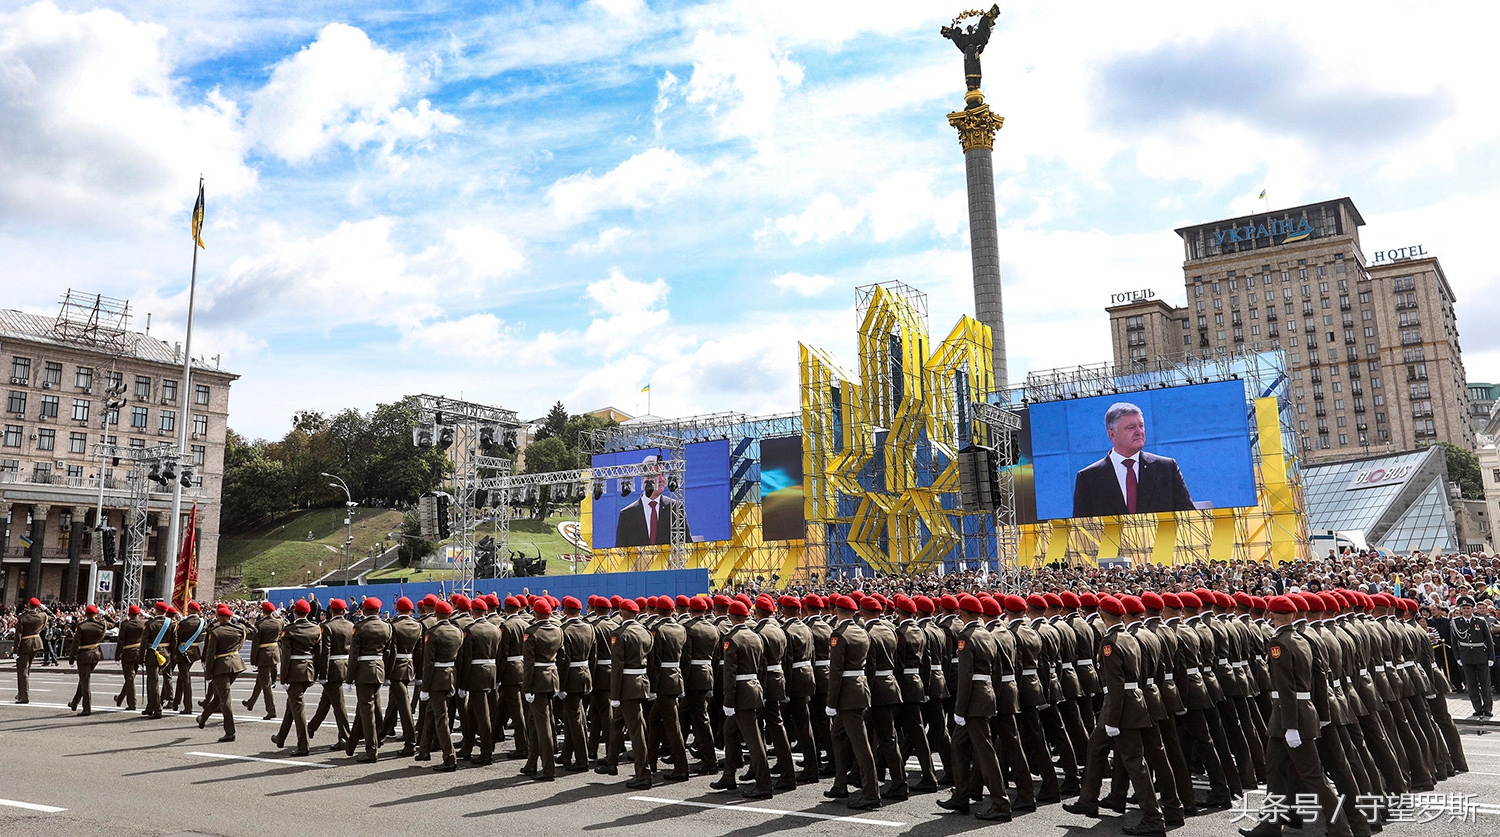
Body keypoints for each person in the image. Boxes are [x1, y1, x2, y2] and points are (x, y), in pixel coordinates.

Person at [1072, 402, 1194, 518]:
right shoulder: (1088, 478)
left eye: (1141, 426)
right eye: (1131, 427)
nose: (1139, 432)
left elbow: (1189, 516)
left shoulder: (1166, 468)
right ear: (1112, 435)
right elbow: (1081, 530)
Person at [346, 597, 393, 762]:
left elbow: (354, 656)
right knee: (369, 707)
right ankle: (355, 744)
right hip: (379, 670)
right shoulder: (387, 627)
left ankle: (371, 750)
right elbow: (388, 653)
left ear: (364, 611)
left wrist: (349, 678)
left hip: (363, 672)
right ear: (379, 611)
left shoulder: (359, 628)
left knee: (367, 712)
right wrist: (386, 674)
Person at [273, 599, 321, 755]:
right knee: (292, 704)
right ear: (308, 613)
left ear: (295, 613)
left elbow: (286, 656)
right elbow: (318, 654)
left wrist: (283, 678)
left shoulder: (290, 630)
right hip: (309, 670)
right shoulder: (315, 629)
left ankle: (303, 745)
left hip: (294, 672)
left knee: (298, 708)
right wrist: (316, 674)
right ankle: (281, 737)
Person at [614, 455, 691, 547]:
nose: (662, 479)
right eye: (656, 475)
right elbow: (619, 552)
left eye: (662, 474)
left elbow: (687, 545)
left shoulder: (675, 508)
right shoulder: (627, 514)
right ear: (644, 478)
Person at [197, 604, 248, 742]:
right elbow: (253, 631)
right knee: (221, 696)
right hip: (236, 665)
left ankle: (230, 732)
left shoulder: (216, 631)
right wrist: (245, 621)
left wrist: (208, 673)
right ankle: (204, 717)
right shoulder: (238, 629)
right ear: (230, 617)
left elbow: (210, 653)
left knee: (225, 699)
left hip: (221, 667)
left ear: (219, 617)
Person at [1452, 595, 1493, 718]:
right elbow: (1454, 642)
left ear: (1472, 609)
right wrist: (1457, 657)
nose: (1466, 610)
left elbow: (1489, 640)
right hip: (1466, 656)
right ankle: (1477, 708)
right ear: (1460, 609)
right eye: (1464, 608)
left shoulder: (1480, 621)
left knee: (1485, 683)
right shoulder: (1455, 622)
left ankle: (1487, 708)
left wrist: (1490, 657)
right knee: (1471, 684)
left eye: (1468, 608)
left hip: (1481, 655)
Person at [69, 604, 111, 716]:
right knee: (84, 678)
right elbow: (114, 624)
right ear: (96, 614)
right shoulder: (101, 625)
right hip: (96, 654)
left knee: (85, 681)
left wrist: (71, 658)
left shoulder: (82, 626)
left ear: (86, 614)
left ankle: (86, 708)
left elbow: (75, 644)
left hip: (84, 655)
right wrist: (106, 615)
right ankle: (74, 702)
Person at [243, 601, 284, 720]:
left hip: (264, 655)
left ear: (263, 612)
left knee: (265, 683)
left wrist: (253, 660)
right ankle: (251, 702)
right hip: (275, 653)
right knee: (260, 680)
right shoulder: (279, 622)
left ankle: (271, 710)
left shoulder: (260, 624)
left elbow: (256, 643)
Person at [113, 604, 145, 711]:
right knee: (130, 677)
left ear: (129, 614)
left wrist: (117, 656)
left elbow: (121, 641)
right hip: (139, 652)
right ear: (138, 614)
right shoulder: (143, 624)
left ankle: (132, 703)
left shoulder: (125, 625)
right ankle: (120, 698)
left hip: (128, 653)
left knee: (129, 678)